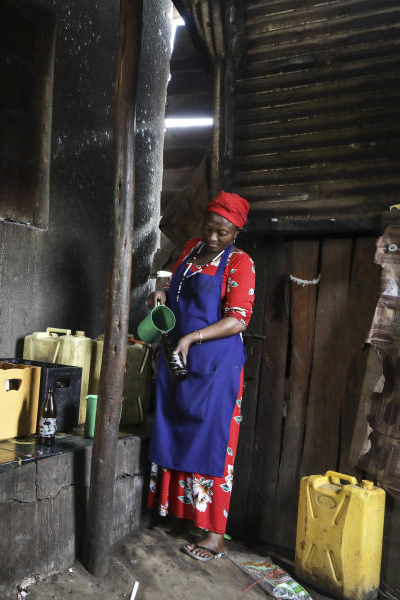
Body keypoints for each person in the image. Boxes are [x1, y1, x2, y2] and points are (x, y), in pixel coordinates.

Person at [146, 191, 255, 562]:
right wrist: (160, 294)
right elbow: (177, 287)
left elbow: (239, 318)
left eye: (222, 233)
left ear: (236, 231)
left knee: (213, 441)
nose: (213, 238)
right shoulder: (192, 248)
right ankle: (182, 515)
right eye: (209, 229)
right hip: (180, 360)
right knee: (178, 429)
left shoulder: (240, 262)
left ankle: (215, 534)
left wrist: (193, 337)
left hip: (214, 365)